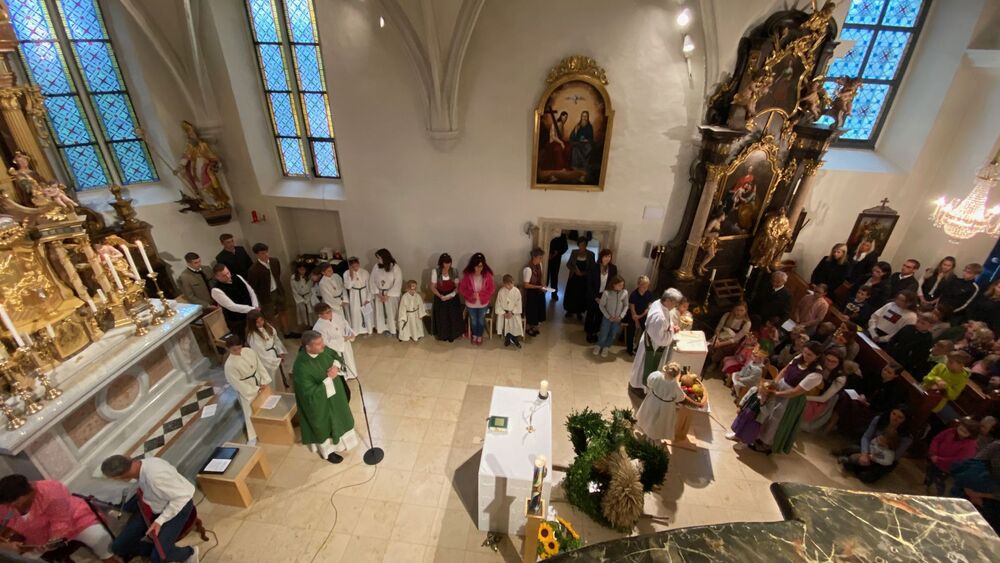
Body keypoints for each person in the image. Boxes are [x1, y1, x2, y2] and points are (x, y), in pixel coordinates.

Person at [100, 455, 197, 563]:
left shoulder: (155, 477)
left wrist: (159, 521)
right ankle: (159, 552)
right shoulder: (142, 464)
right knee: (118, 547)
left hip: (178, 508)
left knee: (160, 557)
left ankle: (189, 552)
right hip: (152, 507)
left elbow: (182, 497)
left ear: (119, 477)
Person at [0, 475, 119, 563]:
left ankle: (109, 558)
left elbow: (60, 523)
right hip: (34, 536)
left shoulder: (51, 491)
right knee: (22, 559)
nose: (9, 506)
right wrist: (6, 545)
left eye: (11, 503)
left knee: (99, 538)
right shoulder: (6, 499)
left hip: (75, 521)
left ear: (22, 496)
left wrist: (50, 544)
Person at [735, 342, 824, 454]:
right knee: (766, 414)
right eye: (804, 352)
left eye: (809, 355)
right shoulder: (799, 358)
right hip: (780, 386)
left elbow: (796, 391)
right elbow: (784, 370)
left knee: (776, 420)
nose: (805, 356)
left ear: (818, 356)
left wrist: (776, 393)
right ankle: (756, 436)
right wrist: (774, 384)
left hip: (790, 398)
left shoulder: (816, 374)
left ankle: (766, 444)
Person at [292, 331, 360, 463]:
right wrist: (329, 379)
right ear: (308, 347)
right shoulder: (301, 367)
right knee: (325, 426)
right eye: (318, 344)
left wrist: (335, 367)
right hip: (320, 403)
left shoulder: (323, 350)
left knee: (341, 418)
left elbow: (336, 356)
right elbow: (308, 393)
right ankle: (328, 452)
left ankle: (342, 444)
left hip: (335, 396)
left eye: (322, 341)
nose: (323, 345)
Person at [628, 289, 683, 395]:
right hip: (653, 346)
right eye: (675, 303)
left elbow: (668, 321)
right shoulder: (659, 317)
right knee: (645, 367)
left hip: (650, 340)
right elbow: (661, 340)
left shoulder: (659, 303)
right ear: (668, 300)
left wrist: (671, 326)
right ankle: (640, 388)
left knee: (640, 365)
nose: (675, 306)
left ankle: (638, 384)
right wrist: (672, 331)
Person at [838, 408, 913, 483]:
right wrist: (865, 454)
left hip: (884, 458)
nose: (895, 418)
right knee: (851, 452)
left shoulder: (907, 437)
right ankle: (855, 463)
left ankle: (860, 467)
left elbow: (894, 457)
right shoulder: (879, 419)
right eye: (893, 414)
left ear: (905, 420)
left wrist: (874, 458)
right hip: (872, 449)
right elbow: (866, 437)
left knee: (866, 477)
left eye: (900, 417)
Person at [836, 363, 908, 437]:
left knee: (854, 405)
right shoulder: (875, 375)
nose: (884, 372)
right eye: (884, 369)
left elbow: (887, 406)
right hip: (861, 399)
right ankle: (839, 425)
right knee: (845, 396)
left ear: (895, 376)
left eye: (889, 372)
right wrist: (862, 394)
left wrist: (869, 404)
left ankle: (845, 430)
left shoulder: (896, 389)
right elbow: (862, 384)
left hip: (874, 409)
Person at [223, 334, 271, 445]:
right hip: (247, 388)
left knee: (266, 404)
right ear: (228, 349)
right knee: (249, 411)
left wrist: (264, 381)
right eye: (234, 350)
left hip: (259, 381)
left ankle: (268, 426)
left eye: (239, 348)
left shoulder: (249, 351)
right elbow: (236, 383)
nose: (238, 351)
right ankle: (252, 435)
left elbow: (259, 366)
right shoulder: (229, 365)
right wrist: (255, 389)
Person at [926, 417, 981, 495]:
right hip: (934, 459)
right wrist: (933, 453)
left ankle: (939, 495)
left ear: (971, 434)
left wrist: (938, 459)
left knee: (939, 481)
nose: (960, 432)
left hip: (946, 467)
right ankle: (927, 484)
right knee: (929, 473)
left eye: (965, 432)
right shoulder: (950, 431)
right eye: (960, 429)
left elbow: (959, 460)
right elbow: (937, 439)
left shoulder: (971, 445)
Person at [247, 243, 292, 337]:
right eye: (263, 253)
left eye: (266, 252)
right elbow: (253, 286)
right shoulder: (253, 270)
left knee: (283, 310)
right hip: (266, 296)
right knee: (270, 317)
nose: (266, 255)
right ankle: (275, 336)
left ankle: (287, 332)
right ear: (257, 255)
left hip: (278, 291)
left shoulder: (274, 261)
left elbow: (277, 274)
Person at [635, 362, 685, 447]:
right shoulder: (675, 385)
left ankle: (647, 433)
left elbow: (649, 383)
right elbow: (681, 397)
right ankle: (654, 436)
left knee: (649, 416)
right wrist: (672, 399)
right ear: (676, 375)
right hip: (666, 406)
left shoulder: (656, 376)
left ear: (665, 369)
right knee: (659, 421)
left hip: (652, 400)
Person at [800, 351, 848, 433]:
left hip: (824, 399)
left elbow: (823, 398)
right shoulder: (819, 366)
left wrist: (801, 397)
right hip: (812, 392)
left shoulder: (840, 378)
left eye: (834, 362)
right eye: (828, 360)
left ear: (839, 363)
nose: (829, 363)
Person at [922, 350, 973, 422]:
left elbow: (953, 396)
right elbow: (926, 379)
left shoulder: (962, 379)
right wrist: (936, 379)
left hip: (936, 404)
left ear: (961, 365)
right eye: (947, 360)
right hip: (923, 392)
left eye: (951, 362)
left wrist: (946, 387)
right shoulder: (941, 366)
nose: (947, 363)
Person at [210, 263, 258, 337]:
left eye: (228, 273)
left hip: (252, 314)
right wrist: (252, 309)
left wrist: (255, 306)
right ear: (217, 277)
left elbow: (251, 291)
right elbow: (232, 306)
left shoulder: (238, 277)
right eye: (224, 275)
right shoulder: (216, 290)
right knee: (245, 339)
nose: (228, 276)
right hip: (238, 320)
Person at [312, 303, 358, 379]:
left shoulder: (336, 316)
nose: (330, 313)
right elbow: (325, 342)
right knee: (338, 364)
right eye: (327, 313)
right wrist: (342, 339)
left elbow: (345, 325)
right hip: (334, 349)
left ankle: (351, 374)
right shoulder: (318, 327)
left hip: (345, 343)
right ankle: (343, 377)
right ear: (320, 315)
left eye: (330, 311)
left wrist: (351, 333)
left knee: (349, 359)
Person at [458, 253, 495, 345]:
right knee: (474, 321)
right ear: (473, 265)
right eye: (477, 266)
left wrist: (481, 295)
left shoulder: (487, 275)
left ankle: (480, 335)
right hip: (471, 303)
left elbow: (491, 289)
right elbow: (462, 289)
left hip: (483, 303)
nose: (479, 269)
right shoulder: (467, 275)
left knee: (481, 320)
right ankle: (475, 335)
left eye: (481, 266)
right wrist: (471, 295)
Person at [244, 310, 287, 389]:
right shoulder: (253, 336)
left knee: (279, 378)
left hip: (275, 354)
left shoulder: (267, 327)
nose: (261, 323)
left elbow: (276, 339)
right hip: (268, 361)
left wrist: (280, 351)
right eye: (257, 322)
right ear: (252, 324)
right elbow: (261, 354)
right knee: (273, 380)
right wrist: (276, 360)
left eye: (261, 320)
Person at [585, 249, 618, 343]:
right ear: (601, 257)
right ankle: (589, 332)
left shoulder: (613, 268)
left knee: (600, 315)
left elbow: (613, 283)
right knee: (591, 313)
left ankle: (595, 332)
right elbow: (589, 284)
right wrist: (595, 297)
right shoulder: (593, 267)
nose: (607, 258)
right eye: (605, 256)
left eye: (609, 256)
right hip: (593, 294)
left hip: (605, 295)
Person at [430, 253, 463, 342]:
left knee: (452, 316)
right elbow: (432, 287)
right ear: (441, 263)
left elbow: (457, 287)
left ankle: (452, 335)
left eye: (449, 263)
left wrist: (451, 295)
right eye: (445, 263)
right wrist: (440, 296)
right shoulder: (435, 271)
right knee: (442, 317)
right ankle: (443, 335)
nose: (448, 265)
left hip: (452, 297)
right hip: (440, 296)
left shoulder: (454, 271)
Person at [709, 301, 753, 367]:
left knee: (721, 349)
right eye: (737, 310)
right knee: (709, 344)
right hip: (722, 335)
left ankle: (713, 363)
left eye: (742, 310)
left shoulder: (747, 323)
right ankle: (705, 360)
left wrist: (720, 344)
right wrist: (716, 338)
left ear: (746, 311)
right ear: (734, 309)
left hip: (732, 341)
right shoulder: (727, 315)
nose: (739, 312)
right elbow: (718, 328)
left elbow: (736, 339)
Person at [370, 249, 402, 336]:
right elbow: (372, 280)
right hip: (379, 294)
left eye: (379, 258)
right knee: (381, 313)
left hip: (390, 295)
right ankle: (383, 328)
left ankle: (393, 329)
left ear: (385, 257)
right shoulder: (376, 266)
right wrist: (378, 294)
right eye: (377, 258)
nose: (378, 260)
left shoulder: (395, 267)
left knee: (391, 313)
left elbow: (398, 282)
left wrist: (388, 295)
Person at [594, 275, 627, 358]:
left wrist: (621, 316)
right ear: (614, 284)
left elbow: (626, 305)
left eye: (623, 285)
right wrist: (608, 316)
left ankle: (606, 347)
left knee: (613, 334)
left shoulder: (625, 293)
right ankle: (599, 345)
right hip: (607, 318)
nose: (622, 287)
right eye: (619, 285)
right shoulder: (606, 293)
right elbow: (601, 306)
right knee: (603, 333)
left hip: (617, 319)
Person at [564, 238, 594, 320]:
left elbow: (592, 268)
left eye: (583, 244)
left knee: (581, 295)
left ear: (586, 245)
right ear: (578, 245)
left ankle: (579, 312)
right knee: (571, 294)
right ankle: (569, 310)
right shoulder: (574, 252)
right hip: (573, 277)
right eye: (580, 244)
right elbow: (568, 264)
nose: (582, 246)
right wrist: (575, 270)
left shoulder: (591, 254)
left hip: (584, 279)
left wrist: (583, 273)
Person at [626, 276, 656, 356]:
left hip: (643, 315)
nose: (645, 288)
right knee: (631, 330)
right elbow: (632, 310)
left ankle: (638, 348)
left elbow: (649, 306)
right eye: (643, 286)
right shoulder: (634, 295)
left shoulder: (649, 294)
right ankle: (629, 349)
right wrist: (636, 321)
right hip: (633, 315)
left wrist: (645, 312)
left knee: (646, 330)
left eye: (647, 286)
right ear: (638, 285)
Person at [343, 257, 372, 336]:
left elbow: (369, 286)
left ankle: (368, 330)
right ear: (350, 266)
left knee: (366, 312)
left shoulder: (365, 272)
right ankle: (357, 330)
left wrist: (368, 298)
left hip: (364, 293)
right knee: (355, 312)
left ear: (359, 264)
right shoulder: (346, 273)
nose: (355, 268)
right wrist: (352, 276)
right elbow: (348, 286)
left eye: (357, 265)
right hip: (354, 294)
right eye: (353, 267)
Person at [522, 248, 547, 337]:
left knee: (538, 310)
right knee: (531, 311)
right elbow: (526, 285)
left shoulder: (540, 265)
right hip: (531, 293)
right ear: (534, 257)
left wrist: (543, 286)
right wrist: (539, 287)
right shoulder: (528, 269)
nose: (541, 259)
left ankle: (534, 327)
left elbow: (540, 278)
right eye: (540, 257)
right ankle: (528, 328)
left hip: (538, 292)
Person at [495, 274, 524, 348]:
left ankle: (515, 339)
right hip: (504, 313)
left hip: (514, 313)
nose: (510, 286)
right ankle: (507, 339)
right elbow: (498, 304)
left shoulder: (516, 291)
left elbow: (518, 304)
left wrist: (512, 313)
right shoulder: (501, 292)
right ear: (504, 284)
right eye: (508, 284)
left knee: (515, 327)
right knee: (506, 327)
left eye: (511, 283)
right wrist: (504, 313)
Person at [290, 262, 317, 330]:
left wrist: (309, 297)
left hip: (309, 296)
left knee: (311, 313)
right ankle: (306, 326)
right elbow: (294, 290)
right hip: (300, 298)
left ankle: (313, 326)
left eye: (304, 269)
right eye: (300, 269)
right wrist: (301, 300)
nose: (302, 271)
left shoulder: (309, 276)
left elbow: (311, 287)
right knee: (303, 313)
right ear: (297, 269)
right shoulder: (293, 278)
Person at [547, 233, 569, 302]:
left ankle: (554, 294)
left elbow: (565, 247)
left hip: (556, 260)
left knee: (554, 277)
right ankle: (543, 292)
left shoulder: (562, 235)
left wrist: (557, 253)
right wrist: (548, 254)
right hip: (546, 258)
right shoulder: (548, 232)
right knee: (545, 276)